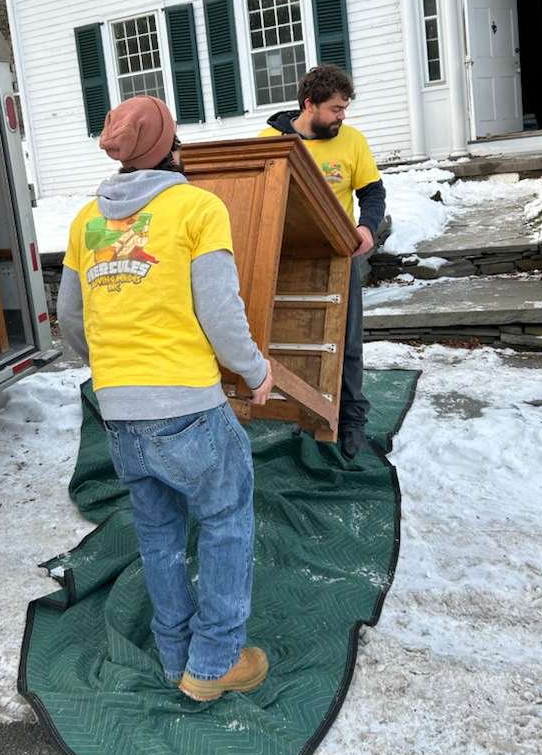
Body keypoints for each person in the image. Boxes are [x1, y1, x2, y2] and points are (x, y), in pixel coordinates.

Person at [57, 96, 273, 702]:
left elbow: (71, 322)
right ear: (171, 147)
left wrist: (111, 366)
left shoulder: (85, 222)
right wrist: (255, 371)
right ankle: (213, 665)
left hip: (119, 409)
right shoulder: (198, 206)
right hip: (188, 404)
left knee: (158, 535)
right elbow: (221, 312)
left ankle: (172, 653)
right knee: (226, 524)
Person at [258, 64, 386, 461]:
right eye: (335, 109)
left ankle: (350, 421)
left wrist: (366, 228)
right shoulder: (270, 142)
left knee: (345, 343)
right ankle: (296, 408)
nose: (341, 116)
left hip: (336, 255)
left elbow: (373, 193)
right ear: (309, 105)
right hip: (284, 257)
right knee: (289, 337)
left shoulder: (352, 142)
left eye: (345, 108)